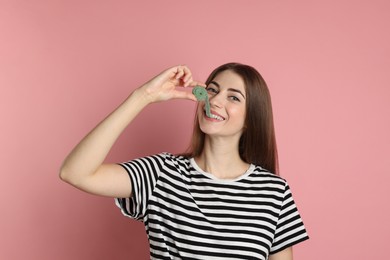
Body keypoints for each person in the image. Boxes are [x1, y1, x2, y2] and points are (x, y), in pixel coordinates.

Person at [60, 63, 309, 260]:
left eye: (234, 97)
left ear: (250, 118)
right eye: (212, 90)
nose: (215, 100)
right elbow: (74, 172)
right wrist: (143, 96)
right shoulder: (161, 174)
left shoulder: (274, 192)